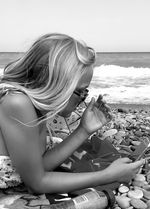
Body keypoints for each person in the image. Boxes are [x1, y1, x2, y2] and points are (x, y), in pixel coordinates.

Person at [0, 33, 144, 194]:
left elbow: (39, 167)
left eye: (86, 91)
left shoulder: (35, 108)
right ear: (56, 83)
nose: (83, 98)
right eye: (80, 91)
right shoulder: (17, 103)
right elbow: (36, 183)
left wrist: (84, 130)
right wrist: (107, 175)